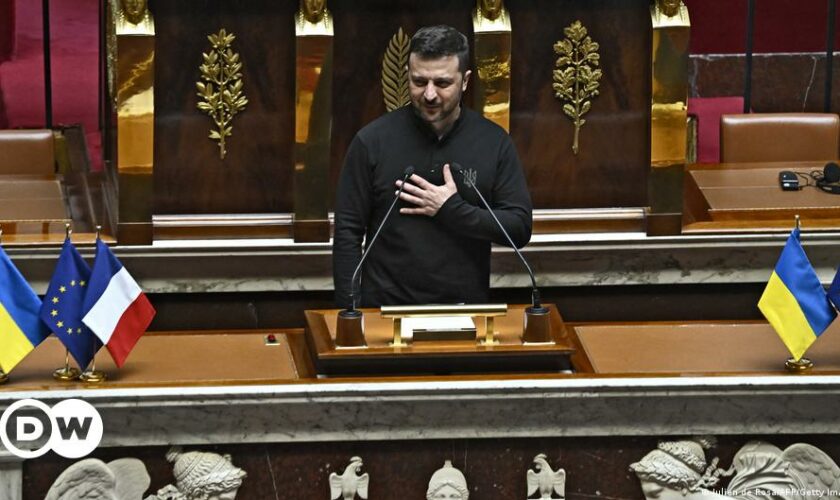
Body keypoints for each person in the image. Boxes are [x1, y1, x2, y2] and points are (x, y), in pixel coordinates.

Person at [333, 24, 532, 308]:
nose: (428, 94)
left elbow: (519, 228)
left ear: (465, 81)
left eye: (442, 83)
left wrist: (452, 209)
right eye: (418, 81)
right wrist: (349, 311)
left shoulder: (493, 142)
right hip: (385, 311)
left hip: (466, 311)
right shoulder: (371, 142)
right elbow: (347, 233)